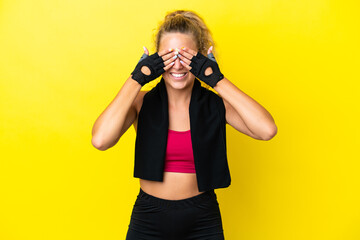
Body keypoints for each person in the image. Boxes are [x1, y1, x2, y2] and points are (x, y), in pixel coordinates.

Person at [91, 10, 277, 240]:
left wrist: (215, 79)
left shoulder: (216, 105)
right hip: (149, 218)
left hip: (203, 219)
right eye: (169, 56)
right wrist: (137, 78)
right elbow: (100, 140)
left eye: (186, 57)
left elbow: (266, 130)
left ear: (199, 58)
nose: (177, 66)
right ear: (156, 59)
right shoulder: (141, 102)